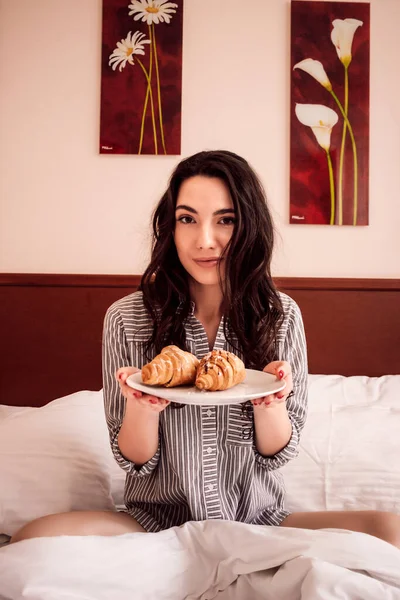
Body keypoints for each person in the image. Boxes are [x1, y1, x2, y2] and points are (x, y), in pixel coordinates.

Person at [11, 150, 400, 546]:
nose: (205, 241)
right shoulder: (127, 318)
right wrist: (142, 406)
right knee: (32, 536)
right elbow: (134, 460)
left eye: (225, 220)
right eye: (187, 219)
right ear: (170, 227)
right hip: (155, 523)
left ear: (249, 225)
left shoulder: (279, 315)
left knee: (390, 529)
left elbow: (279, 452)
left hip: (259, 521)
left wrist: (272, 403)